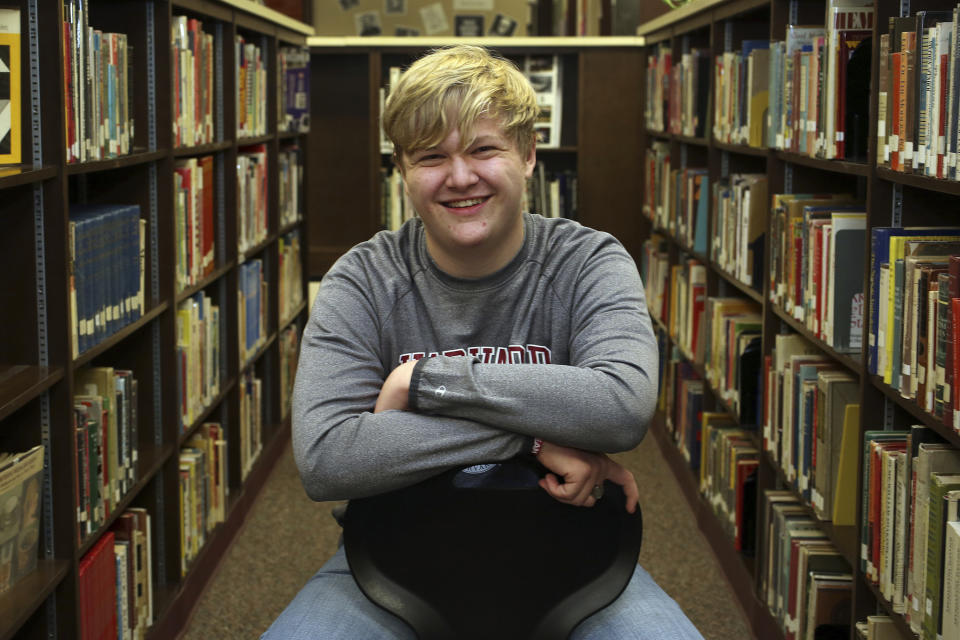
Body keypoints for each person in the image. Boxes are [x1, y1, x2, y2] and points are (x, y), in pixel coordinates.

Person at [262, 44, 704, 640]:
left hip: (574, 551)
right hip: (391, 554)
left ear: (527, 155)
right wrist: (536, 435)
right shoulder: (362, 280)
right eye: (431, 156)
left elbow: (623, 407)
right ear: (401, 169)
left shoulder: (588, 262)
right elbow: (327, 458)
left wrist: (422, 383)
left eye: (483, 149)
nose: (460, 177)